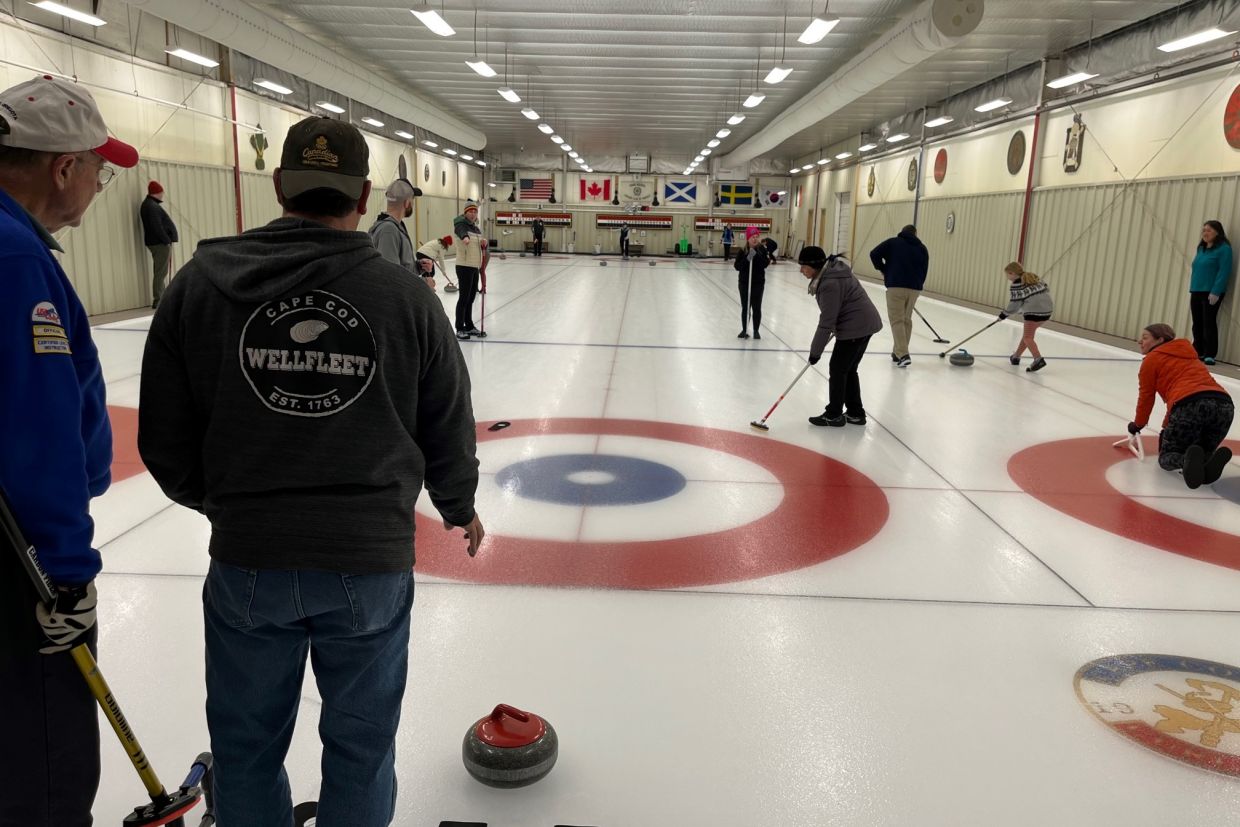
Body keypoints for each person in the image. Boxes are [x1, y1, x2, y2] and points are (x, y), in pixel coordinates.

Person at [137, 115, 483, 826]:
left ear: (278, 185)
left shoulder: (199, 284)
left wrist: (231, 504)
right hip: (368, 560)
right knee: (361, 745)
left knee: (245, 742)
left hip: (250, 558)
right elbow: (445, 419)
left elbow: (164, 440)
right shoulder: (406, 297)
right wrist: (457, 503)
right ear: (362, 196)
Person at [0, 73, 138, 827]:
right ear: (63, 168)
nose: (98, 181)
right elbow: (36, 431)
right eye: (98, 166)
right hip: (21, 567)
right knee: (44, 767)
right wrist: (63, 573)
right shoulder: (18, 262)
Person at [1129, 323, 1234, 489]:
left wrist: (1138, 424)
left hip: (1189, 405)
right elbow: (1178, 397)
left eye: (1145, 337)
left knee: (1167, 457)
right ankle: (1206, 466)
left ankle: (1185, 460)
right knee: (1202, 454)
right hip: (1224, 406)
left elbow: (1147, 397)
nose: (1139, 341)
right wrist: (1166, 426)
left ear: (1160, 340)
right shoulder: (1190, 356)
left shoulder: (1152, 359)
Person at [799, 246, 883, 427]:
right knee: (848, 369)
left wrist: (815, 353)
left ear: (814, 266)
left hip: (856, 328)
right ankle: (855, 413)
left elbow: (826, 322)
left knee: (838, 369)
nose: (801, 270)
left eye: (804, 266)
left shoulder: (829, 283)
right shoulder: (832, 273)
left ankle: (834, 414)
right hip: (863, 324)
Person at [869, 224, 929, 368]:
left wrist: (883, 269)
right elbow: (925, 269)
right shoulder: (922, 248)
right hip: (914, 289)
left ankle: (903, 354)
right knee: (906, 320)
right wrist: (918, 284)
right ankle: (898, 352)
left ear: (902, 232)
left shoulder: (893, 243)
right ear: (915, 234)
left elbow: (873, 254)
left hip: (895, 286)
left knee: (897, 320)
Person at [368, 178, 432, 290]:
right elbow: (391, 277)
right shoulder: (389, 230)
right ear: (407, 203)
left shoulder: (395, 227)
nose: (413, 204)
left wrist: (418, 266)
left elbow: (400, 267)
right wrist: (424, 283)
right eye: (412, 200)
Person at [1188, 220, 1232, 365]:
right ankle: (1197, 350)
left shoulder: (1224, 249)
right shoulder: (1202, 248)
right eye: (1204, 230)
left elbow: (1224, 271)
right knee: (1197, 322)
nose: (1205, 233)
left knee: (1209, 322)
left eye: (1209, 230)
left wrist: (1216, 291)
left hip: (1211, 292)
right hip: (1196, 289)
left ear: (1217, 233)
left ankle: (1209, 353)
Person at [999, 262, 1054, 372]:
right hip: (1047, 311)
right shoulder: (1033, 277)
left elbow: (1014, 304)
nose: (1007, 277)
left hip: (1033, 313)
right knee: (1027, 336)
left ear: (1012, 273)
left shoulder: (1017, 284)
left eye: (1007, 275)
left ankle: (1038, 359)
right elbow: (1045, 289)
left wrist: (1003, 315)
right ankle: (1016, 357)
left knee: (1028, 337)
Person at [139, 179, 178, 309]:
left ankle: (161, 297)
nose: (162, 194)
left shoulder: (150, 205)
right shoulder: (151, 206)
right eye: (161, 192)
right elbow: (156, 226)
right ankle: (159, 299)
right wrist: (166, 240)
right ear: (156, 193)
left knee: (161, 271)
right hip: (159, 243)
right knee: (161, 272)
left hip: (157, 242)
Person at [454, 202, 486, 339]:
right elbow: (461, 232)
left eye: (475, 212)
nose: (473, 214)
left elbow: (476, 244)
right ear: (465, 213)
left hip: (474, 266)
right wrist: (465, 237)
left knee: (471, 298)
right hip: (464, 266)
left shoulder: (476, 228)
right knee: (464, 298)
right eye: (471, 211)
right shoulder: (461, 224)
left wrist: (483, 243)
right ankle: (460, 328)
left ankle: (469, 325)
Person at [734, 226, 770, 339]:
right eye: (752, 237)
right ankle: (744, 330)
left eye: (756, 237)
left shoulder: (762, 250)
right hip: (744, 283)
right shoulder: (742, 251)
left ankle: (756, 330)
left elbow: (765, 264)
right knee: (745, 307)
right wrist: (749, 256)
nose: (755, 239)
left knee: (756, 307)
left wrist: (756, 255)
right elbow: (738, 267)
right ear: (748, 238)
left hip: (758, 284)